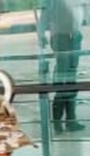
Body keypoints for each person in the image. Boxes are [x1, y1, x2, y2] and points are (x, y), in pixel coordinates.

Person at [48, 0, 86, 132]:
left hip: (74, 35)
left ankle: (70, 120)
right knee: (63, 79)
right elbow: (47, 13)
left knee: (71, 79)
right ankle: (58, 121)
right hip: (62, 36)